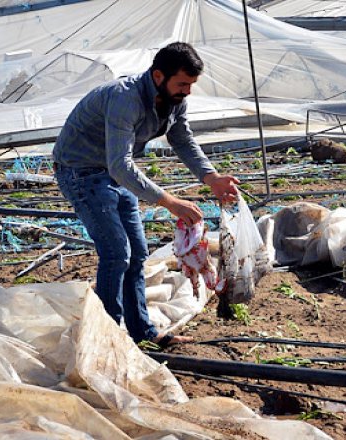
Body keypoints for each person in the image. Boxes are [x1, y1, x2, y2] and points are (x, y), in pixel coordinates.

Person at [52, 42, 239, 347]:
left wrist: (211, 178)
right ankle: (106, 338)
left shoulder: (174, 99)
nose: (187, 92)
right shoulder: (124, 98)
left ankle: (143, 333)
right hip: (81, 172)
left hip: (113, 173)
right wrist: (170, 202)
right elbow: (119, 165)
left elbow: (182, 139)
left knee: (137, 254)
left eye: (191, 85)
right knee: (116, 254)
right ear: (157, 76)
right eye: (182, 84)